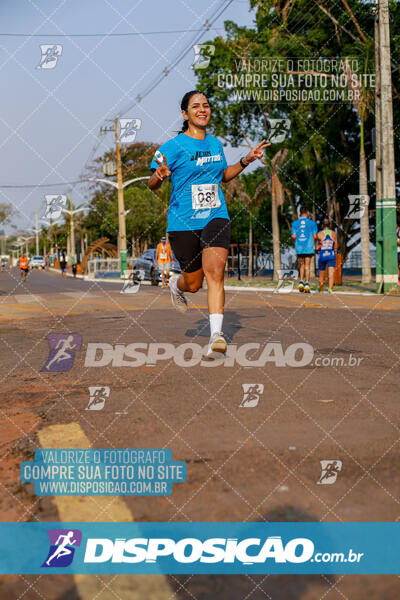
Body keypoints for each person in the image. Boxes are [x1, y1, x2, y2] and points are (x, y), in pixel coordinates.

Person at [149, 90, 269, 357]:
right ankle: (175, 285)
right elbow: (152, 184)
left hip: (216, 216)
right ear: (185, 114)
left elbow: (224, 176)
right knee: (194, 284)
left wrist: (246, 160)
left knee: (215, 271)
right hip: (183, 222)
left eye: (205, 105)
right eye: (195, 106)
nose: (202, 109)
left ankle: (217, 335)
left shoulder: (215, 144)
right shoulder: (172, 147)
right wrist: (158, 176)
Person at [291, 206, 318, 293]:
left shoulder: (295, 223)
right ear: (307, 212)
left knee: (302, 265)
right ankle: (307, 283)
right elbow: (315, 236)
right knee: (307, 266)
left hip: (299, 247)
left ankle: (301, 282)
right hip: (308, 247)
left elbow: (293, 236)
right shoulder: (312, 223)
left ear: (300, 213)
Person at [316, 218, 337, 294]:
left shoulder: (319, 234)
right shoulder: (333, 233)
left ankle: (321, 290)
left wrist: (316, 250)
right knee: (331, 273)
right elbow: (336, 247)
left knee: (321, 274)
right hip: (331, 255)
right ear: (330, 225)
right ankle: (330, 290)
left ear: (322, 225)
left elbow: (317, 247)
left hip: (322, 255)